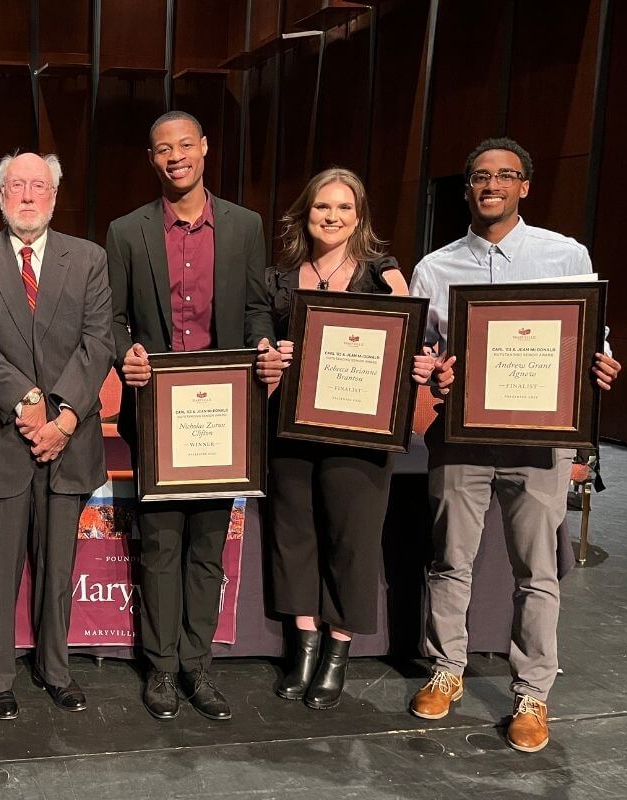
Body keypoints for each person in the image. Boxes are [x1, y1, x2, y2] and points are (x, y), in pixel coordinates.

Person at [408, 137, 621, 752]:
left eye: (505, 175)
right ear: (467, 187)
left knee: (539, 570)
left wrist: (601, 363)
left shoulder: (565, 255)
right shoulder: (435, 267)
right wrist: (434, 370)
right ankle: (445, 670)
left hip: (539, 442)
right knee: (451, 560)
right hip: (461, 439)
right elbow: (423, 352)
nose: (491, 184)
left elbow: (591, 336)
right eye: (479, 175)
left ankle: (532, 694)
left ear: (525, 185)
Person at [106, 110, 287, 720]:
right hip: (157, 416)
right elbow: (112, 317)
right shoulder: (127, 231)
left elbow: (259, 308)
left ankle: (197, 666)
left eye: (185, 145)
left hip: (223, 419)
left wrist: (262, 347)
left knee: (209, 548)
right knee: (159, 546)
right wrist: (122, 352)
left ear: (205, 149)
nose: (174, 156)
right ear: (151, 159)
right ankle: (160, 669)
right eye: (162, 149)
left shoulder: (244, 226)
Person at [0, 151, 115, 720]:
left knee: (58, 570)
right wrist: (28, 403)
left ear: (54, 195)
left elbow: (99, 343)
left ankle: (55, 669)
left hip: (68, 439)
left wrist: (63, 419)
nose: (26, 195)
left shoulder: (89, 259)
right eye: (15, 185)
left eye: (38, 186)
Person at [264, 167, 438, 709]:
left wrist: (417, 365)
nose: (331, 217)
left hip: (360, 438)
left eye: (343, 208)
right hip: (291, 433)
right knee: (295, 536)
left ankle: (337, 653)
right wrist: (271, 356)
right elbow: (262, 345)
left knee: (351, 539)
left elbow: (411, 348)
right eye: (322, 207)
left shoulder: (384, 276)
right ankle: (305, 647)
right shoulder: (281, 277)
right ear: (306, 213)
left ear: (358, 217)